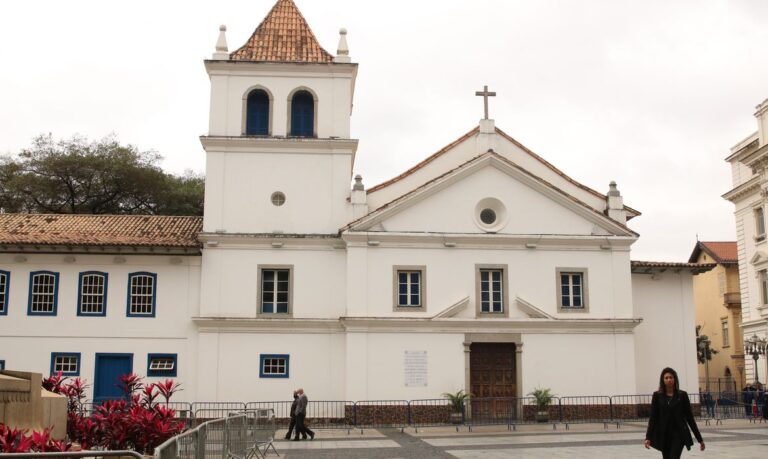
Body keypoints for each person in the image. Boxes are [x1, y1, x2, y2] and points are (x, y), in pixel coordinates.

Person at [644, 367, 705, 458]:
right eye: (666, 378)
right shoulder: (657, 395)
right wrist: (648, 437)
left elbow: (690, 418)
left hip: (678, 433)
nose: (669, 380)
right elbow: (653, 417)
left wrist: (699, 439)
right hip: (664, 433)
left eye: (671, 377)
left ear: (675, 379)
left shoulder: (682, 395)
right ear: (663, 380)